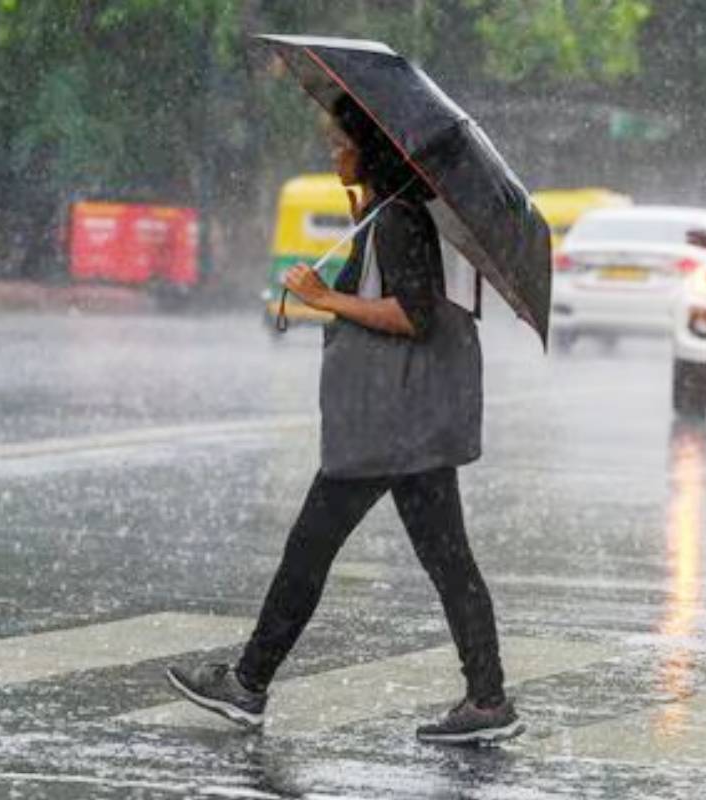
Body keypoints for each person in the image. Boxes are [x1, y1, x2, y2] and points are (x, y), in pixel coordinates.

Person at [165, 96, 523, 745]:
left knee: (312, 547)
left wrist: (323, 298)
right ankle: (488, 699)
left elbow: (413, 314)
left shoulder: (398, 220)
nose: (332, 156)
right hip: (406, 421)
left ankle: (248, 683)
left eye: (339, 145)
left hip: (389, 421)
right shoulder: (388, 213)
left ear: (370, 150)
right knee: (446, 561)